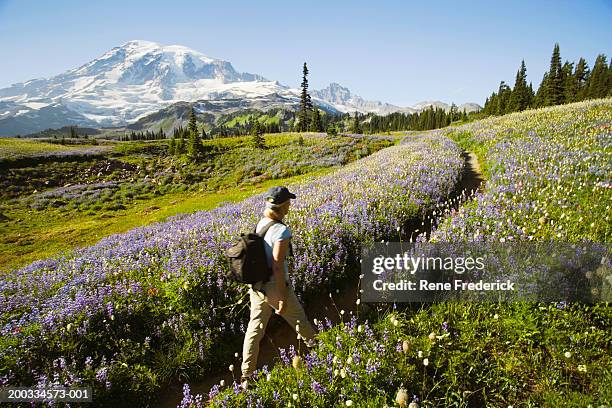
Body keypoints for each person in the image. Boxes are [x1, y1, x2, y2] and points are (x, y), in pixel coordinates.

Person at [240, 186, 316, 385]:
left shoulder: (261, 223)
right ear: (282, 206)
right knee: (299, 320)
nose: (290, 205)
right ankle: (319, 351)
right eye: (288, 202)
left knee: (254, 329)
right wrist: (282, 296)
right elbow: (278, 266)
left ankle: (247, 375)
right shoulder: (282, 231)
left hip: (257, 287)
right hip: (274, 287)